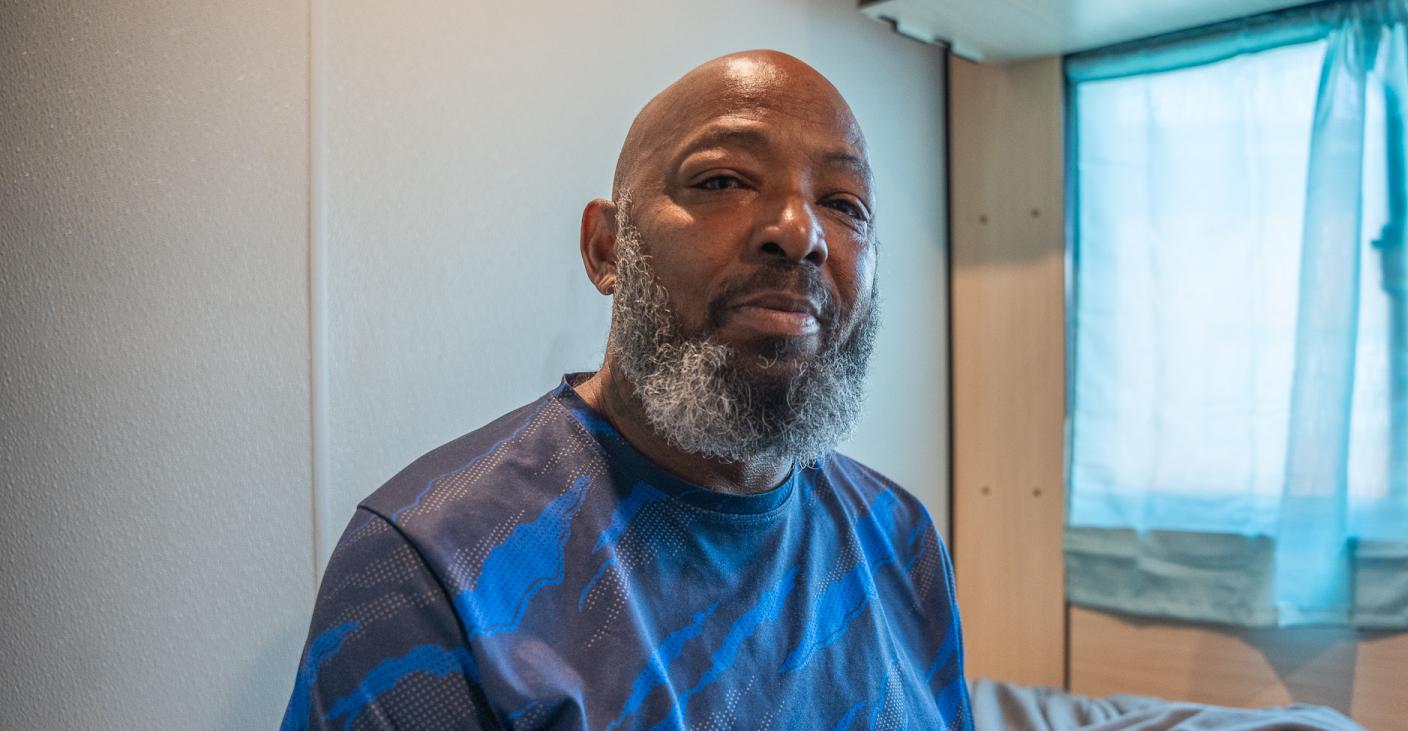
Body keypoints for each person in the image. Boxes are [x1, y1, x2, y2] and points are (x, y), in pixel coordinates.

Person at [281, 49, 972, 730]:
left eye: (844, 203)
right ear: (606, 248)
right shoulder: (436, 568)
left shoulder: (900, 540)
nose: (800, 233)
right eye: (724, 180)